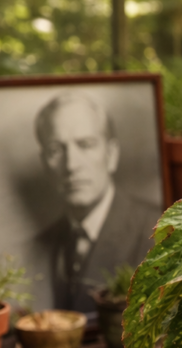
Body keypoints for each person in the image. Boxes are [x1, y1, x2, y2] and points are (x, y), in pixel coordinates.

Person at [28, 92, 158, 315]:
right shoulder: (37, 247)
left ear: (111, 154)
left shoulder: (157, 230)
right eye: (56, 150)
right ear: (44, 163)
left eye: (85, 145)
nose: (71, 165)